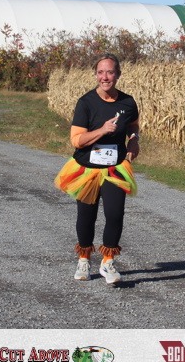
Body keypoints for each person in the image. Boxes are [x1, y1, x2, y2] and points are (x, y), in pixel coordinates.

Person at [54, 53, 140, 285]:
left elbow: (133, 125)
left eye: (110, 72)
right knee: (86, 216)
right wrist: (102, 130)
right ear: (95, 75)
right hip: (86, 168)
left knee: (115, 214)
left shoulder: (128, 102)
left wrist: (134, 140)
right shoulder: (86, 103)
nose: (105, 77)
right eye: (101, 72)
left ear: (118, 74)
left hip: (115, 167)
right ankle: (84, 259)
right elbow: (77, 140)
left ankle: (107, 262)